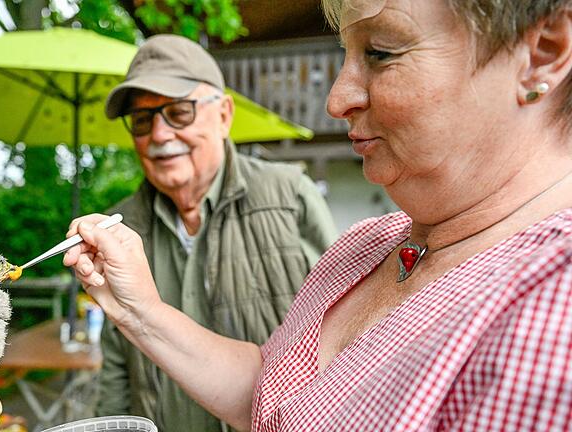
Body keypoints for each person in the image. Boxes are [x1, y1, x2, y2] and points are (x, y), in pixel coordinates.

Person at [65, 0, 572, 429]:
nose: (335, 98)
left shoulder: (552, 311)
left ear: (541, 52)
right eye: (140, 120)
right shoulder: (366, 244)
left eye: (381, 51)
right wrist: (138, 310)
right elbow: (268, 394)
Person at [95, 34, 339, 431]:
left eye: (179, 112)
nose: (158, 135)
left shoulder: (289, 197)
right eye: (142, 120)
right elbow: (118, 365)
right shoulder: (120, 229)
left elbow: (341, 339)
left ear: (224, 114)